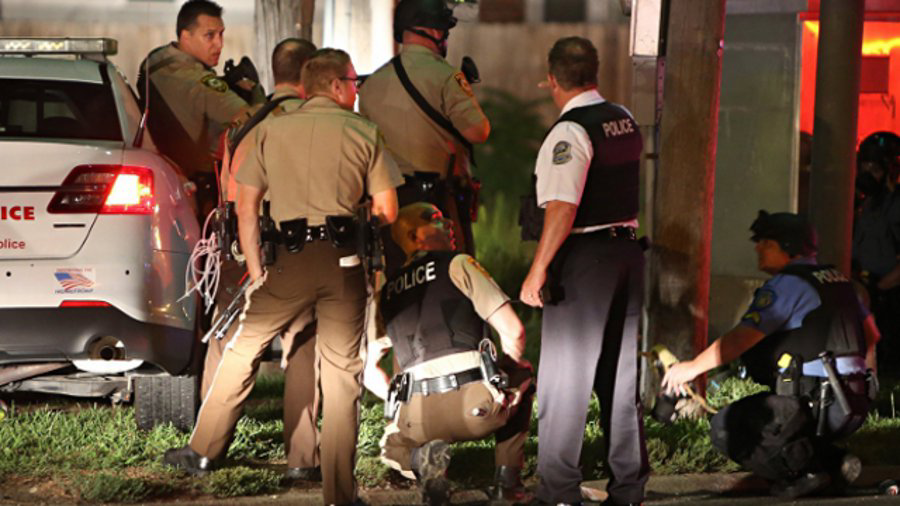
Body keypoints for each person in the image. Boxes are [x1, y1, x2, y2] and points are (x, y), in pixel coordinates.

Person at [164, 48, 403, 506]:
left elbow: (246, 206)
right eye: (354, 82)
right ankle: (338, 491)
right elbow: (388, 210)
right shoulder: (365, 132)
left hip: (285, 262)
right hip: (343, 264)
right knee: (342, 375)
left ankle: (203, 450)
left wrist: (256, 269)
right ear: (335, 85)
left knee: (243, 349)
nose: (356, 91)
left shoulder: (269, 131)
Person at [663, 210, 880, 499]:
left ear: (788, 247)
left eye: (766, 243)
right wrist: (865, 384)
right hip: (851, 402)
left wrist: (690, 369)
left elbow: (740, 339)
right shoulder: (837, 280)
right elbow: (872, 336)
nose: (757, 248)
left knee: (726, 427)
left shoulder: (788, 285)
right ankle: (834, 463)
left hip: (813, 401)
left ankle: (804, 473)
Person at [518, 37, 648, 506]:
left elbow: (561, 209)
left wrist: (537, 271)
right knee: (620, 378)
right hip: (627, 255)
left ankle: (557, 492)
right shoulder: (623, 119)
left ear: (551, 79)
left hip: (586, 261)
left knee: (565, 381)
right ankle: (628, 488)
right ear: (595, 73)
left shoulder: (569, 132)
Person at [203, 37, 321, 482]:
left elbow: (230, 191)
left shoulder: (245, 121)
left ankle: (208, 448)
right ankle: (303, 458)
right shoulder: (311, 123)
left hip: (241, 245)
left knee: (227, 342)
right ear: (310, 71)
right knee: (303, 345)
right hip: (296, 246)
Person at [363, 202, 534, 505]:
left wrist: (395, 400)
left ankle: (421, 461)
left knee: (391, 447)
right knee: (523, 373)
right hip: (475, 408)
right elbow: (514, 331)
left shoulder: (386, 293)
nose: (449, 225)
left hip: (417, 421)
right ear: (415, 236)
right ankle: (508, 483)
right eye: (437, 221)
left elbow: (364, 367)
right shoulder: (458, 264)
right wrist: (504, 376)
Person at [358, 0, 490, 272]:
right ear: (433, 31)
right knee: (450, 279)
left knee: (398, 279)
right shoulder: (446, 77)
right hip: (439, 205)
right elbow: (479, 132)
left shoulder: (371, 85)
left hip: (391, 205)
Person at [137, 0, 264, 219]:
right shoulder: (197, 83)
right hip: (199, 189)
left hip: (168, 182)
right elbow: (251, 118)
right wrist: (257, 94)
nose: (219, 44)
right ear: (186, 36)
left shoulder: (156, 61)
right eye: (210, 36)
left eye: (221, 34)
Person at [852, 131, 900, 376]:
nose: (867, 174)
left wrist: (882, 286)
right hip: (865, 287)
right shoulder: (862, 202)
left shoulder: (895, 204)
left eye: (875, 168)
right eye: (864, 165)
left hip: (888, 296)